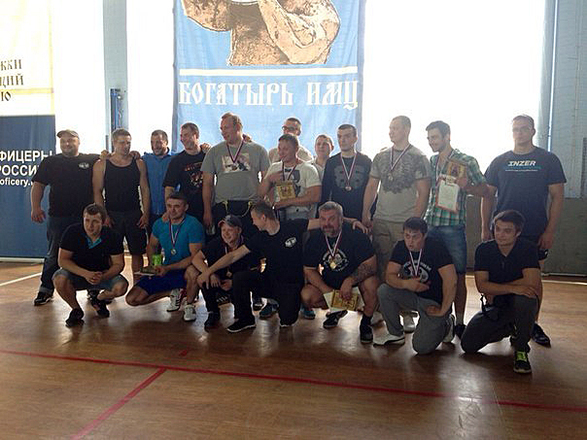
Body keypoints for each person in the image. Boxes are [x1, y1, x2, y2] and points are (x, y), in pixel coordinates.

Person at [197, 201, 366, 332]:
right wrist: (209, 271)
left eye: (254, 219)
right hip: (268, 281)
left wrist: (352, 221)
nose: (253, 223)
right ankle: (245, 320)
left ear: (263, 218)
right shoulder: (260, 237)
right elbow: (233, 256)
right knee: (240, 277)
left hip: (290, 285)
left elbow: (323, 222)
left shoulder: (293, 226)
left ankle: (300, 309)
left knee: (287, 321)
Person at [481, 114, 566, 347]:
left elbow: (557, 197)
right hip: (501, 232)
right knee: (498, 276)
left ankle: (531, 324)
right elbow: (488, 196)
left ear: (533, 131)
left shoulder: (548, 159)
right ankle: (498, 320)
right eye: (515, 129)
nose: (519, 133)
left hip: (534, 230)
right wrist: (485, 227)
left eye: (524, 129)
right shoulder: (499, 161)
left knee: (534, 280)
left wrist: (549, 231)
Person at [362, 115, 431, 332]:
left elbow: (424, 192)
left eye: (396, 128)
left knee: (407, 267)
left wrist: (415, 222)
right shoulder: (381, 156)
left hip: (405, 222)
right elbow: (372, 186)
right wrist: (366, 212)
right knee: (383, 265)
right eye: (390, 128)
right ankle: (382, 309)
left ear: (407, 129)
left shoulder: (419, 157)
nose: (391, 131)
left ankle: (408, 312)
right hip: (382, 219)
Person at [423, 121, 488, 338]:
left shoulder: (466, 161)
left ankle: (459, 321)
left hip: (453, 227)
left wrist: (466, 186)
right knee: (435, 275)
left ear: (447, 136)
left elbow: (485, 191)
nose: (431, 142)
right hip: (431, 223)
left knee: (459, 276)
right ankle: (443, 318)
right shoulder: (432, 161)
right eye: (429, 138)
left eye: (435, 137)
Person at [461, 210, 540, 374]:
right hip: (496, 306)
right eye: (497, 229)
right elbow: (482, 286)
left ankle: (521, 349)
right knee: (468, 345)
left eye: (507, 231)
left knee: (526, 298)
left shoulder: (528, 248)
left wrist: (496, 288)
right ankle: (513, 327)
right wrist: (513, 287)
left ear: (518, 233)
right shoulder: (484, 249)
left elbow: (532, 282)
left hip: (519, 303)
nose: (500, 234)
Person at [30, 129, 100, 306]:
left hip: (86, 219)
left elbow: (113, 157)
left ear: (79, 142)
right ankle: (46, 289)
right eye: (63, 141)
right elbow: (38, 185)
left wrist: (133, 153)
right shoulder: (50, 162)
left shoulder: (92, 160)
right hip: (58, 217)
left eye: (71, 140)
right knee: (54, 254)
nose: (67, 144)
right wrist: (35, 207)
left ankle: (93, 289)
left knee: (90, 253)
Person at [375, 217, 456, 354]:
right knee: (384, 291)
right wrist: (406, 284)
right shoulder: (401, 247)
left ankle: (447, 323)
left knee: (421, 347)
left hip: (433, 302)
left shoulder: (437, 248)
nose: (410, 241)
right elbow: (389, 276)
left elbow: (451, 281)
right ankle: (395, 334)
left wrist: (443, 310)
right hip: (412, 296)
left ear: (424, 236)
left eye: (415, 237)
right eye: (407, 236)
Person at [302, 201, 379, 343]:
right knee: (307, 295)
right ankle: (337, 310)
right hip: (330, 284)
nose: (327, 223)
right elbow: (309, 269)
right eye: (323, 219)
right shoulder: (314, 238)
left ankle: (365, 323)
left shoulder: (356, 234)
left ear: (341, 219)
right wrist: (325, 289)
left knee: (372, 284)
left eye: (331, 219)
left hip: (356, 284)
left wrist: (350, 281)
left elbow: (371, 264)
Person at [182, 0, 340, 65]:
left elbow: (300, 50)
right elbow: (201, 11)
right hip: (242, 91)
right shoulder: (244, 6)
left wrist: (267, 3)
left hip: (289, 96)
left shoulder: (324, 13)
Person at [125, 192, 203, 321]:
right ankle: (173, 293)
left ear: (186, 207)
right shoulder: (159, 224)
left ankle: (189, 304)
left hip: (185, 268)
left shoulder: (193, 225)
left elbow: (195, 257)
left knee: (193, 271)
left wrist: (167, 268)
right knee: (132, 299)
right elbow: (151, 246)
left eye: (177, 206)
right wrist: (154, 265)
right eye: (169, 206)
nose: (172, 210)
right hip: (166, 268)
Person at [52, 204, 128, 327]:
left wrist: (103, 277)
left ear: (103, 222)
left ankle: (99, 299)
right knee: (59, 279)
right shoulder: (72, 232)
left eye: (95, 222)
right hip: (78, 274)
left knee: (121, 287)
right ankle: (76, 309)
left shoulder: (113, 236)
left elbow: (119, 264)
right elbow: (62, 261)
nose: (90, 226)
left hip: (102, 274)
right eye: (87, 220)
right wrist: (85, 274)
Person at [201, 112, 270, 239]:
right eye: (221, 129)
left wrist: (263, 204)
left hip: (251, 207)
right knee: (225, 244)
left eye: (226, 128)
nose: (223, 132)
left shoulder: (258, 150)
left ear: (237, 127)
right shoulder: (214, 152)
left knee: (251, 245)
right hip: (223, 206)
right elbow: (207, 184)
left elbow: (267, 179)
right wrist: (207, 211)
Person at [93, 128, 150, 281]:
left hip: (134, 213)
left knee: (137, 252)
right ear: (114, 143)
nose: (126, 146)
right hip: (112, 215)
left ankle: (137, 285)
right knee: (111, 253)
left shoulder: (139, 163)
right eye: (122, 143)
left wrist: (145, 213)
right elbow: (97, 191)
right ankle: (111, 283)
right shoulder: (102, 164)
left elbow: (145, 189)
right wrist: (103, 216)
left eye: (128, 143)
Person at [192, 215, 262, 329]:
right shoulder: (216, 243)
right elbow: (196, 259)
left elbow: (256, 270)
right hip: (217, 280)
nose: (226, 234)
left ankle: (243, 313)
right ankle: (213, 312)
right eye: (223, 230)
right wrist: (209, 273)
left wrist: (234, 282)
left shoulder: (248, 245)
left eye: (230, 230)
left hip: (238, 283)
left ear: (239, 230)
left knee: (239, 311)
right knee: (204, 278)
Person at [320, 124, 371, 221]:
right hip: (337, 216)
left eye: (347, 136)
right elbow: (325, 191)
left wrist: (369, 213)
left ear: (355, 139)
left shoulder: (366, 161)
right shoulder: (331, 162)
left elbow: (371, 189)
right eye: (339, 136)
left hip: (360, 213)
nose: (342, 140)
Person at [163, 122, 206, 225]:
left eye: (186, 135)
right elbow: (169, 187)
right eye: (181, 136)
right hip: (186, 210)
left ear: (196, 135)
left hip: (207, 207)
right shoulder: (177, 161)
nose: (182, 139)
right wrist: (169, 210)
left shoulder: (207, 155)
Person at [143, 129, 174, 237]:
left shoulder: (176, 159)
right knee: (152, 243)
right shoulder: (145, 159)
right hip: (151, 213)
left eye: (158, 142)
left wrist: (205, 148)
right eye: (152, 142)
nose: (155, 146)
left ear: (166, 142)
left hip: (172, 212)